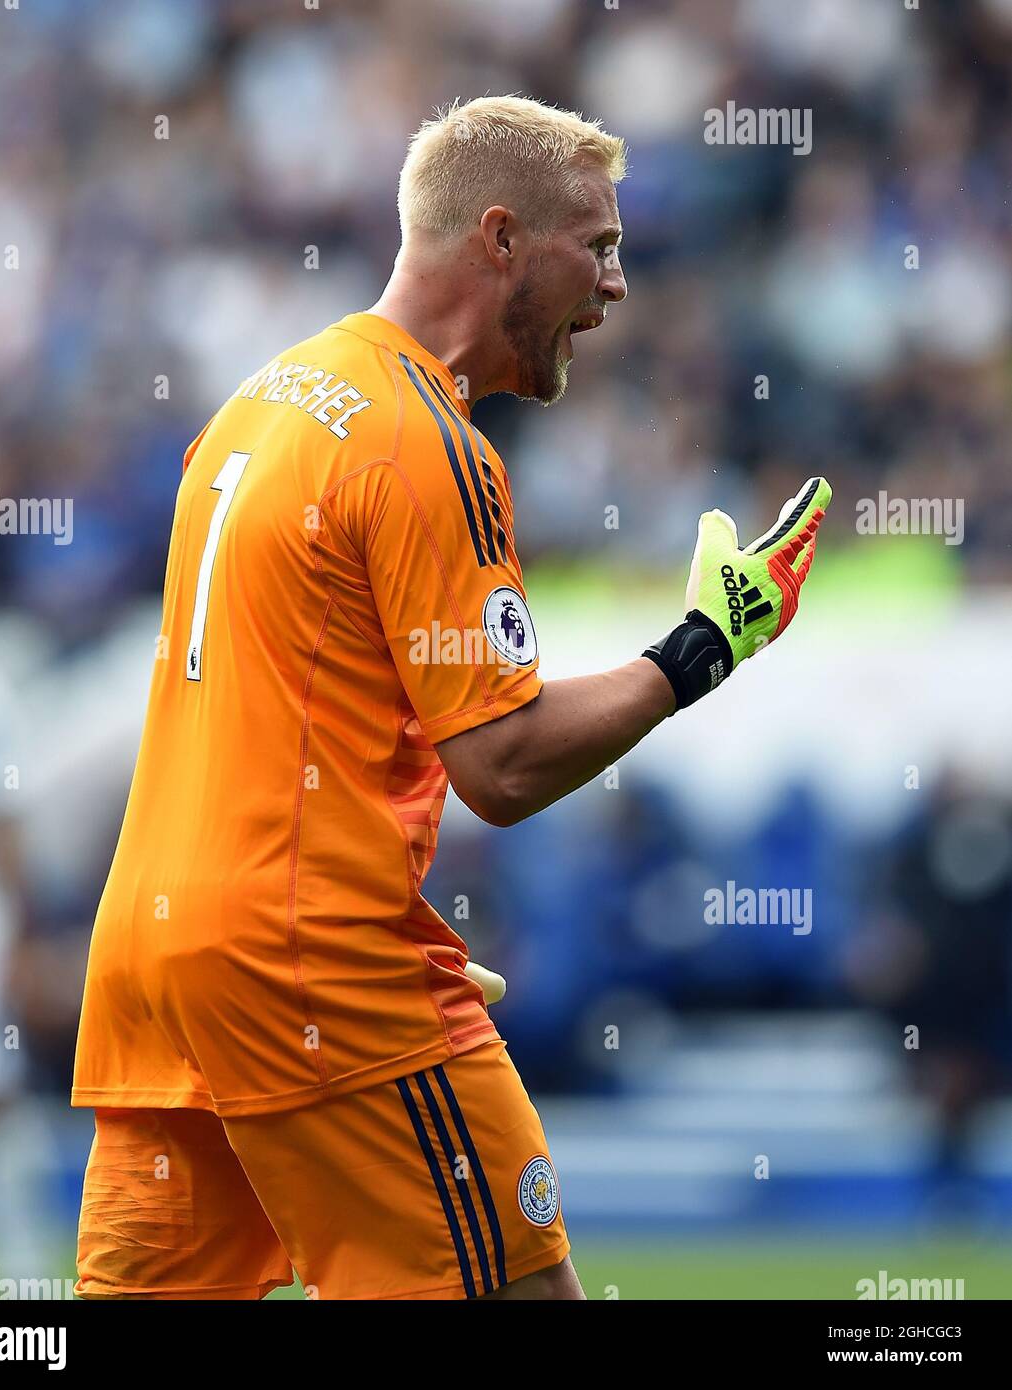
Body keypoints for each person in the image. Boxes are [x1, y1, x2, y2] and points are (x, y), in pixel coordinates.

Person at [72, 95, 828, 1301]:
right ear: (499, 238)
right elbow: (505, 765)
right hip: (306, 958)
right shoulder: (424, 438)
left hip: (159, 958)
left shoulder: (259, 404)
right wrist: (703, 646)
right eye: (599, 244)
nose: (616, 286)